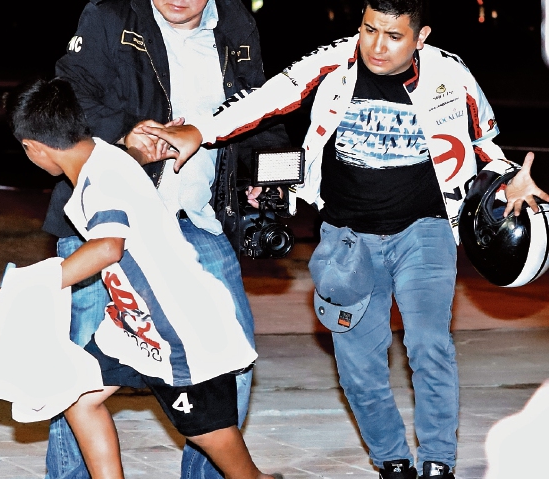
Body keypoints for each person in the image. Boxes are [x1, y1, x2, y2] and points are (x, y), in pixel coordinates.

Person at [140, 1, 549, 478]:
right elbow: (266, 99)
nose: (376, 46)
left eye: (393, 36)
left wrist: (507, 179)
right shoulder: (333, 62)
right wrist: (201, 131)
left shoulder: (451, 76)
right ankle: (392, 462)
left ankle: (439, 463)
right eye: (369, 30)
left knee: (429, 346)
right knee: (359, 366)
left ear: (421, 37)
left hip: (426, 233)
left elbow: (484, 145)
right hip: (347, 241)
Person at [44, 1, 289, 477]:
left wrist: (265, 172)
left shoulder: (237, 22)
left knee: (231, 359)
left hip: (196, 222)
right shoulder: (109, 15)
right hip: (106, 227)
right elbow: (67, 96)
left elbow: (259, 107)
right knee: (75, 375)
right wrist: (124, 134)